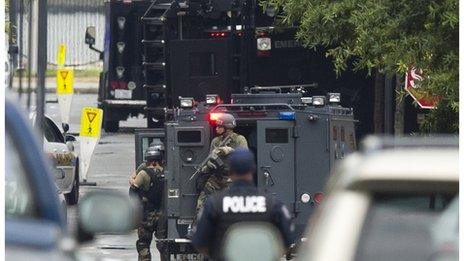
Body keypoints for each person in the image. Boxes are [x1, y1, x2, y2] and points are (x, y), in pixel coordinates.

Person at [192, 148, 295, 260]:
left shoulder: (214, 204)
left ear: (230, 171)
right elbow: (289, 240)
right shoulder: (273, 204)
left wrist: (217, 255)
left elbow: (200, 243)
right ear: (253, 169)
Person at [194, 113, 248, 221]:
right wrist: (209, 164)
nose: (217, 128)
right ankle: (199, 228)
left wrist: (230, 150)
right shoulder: (216, 141)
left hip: (232, 178)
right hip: (216, 177)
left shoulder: (239, 139)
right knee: (202, 203)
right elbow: (211, 156)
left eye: (219, 126)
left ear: (227, 128)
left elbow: (245, 157)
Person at [129, 144, 165, 261]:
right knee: (164, 244)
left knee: (143, 244)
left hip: (146, 215)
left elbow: (133, 191)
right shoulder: (167, 172)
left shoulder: (144, 174)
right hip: (163, 216)